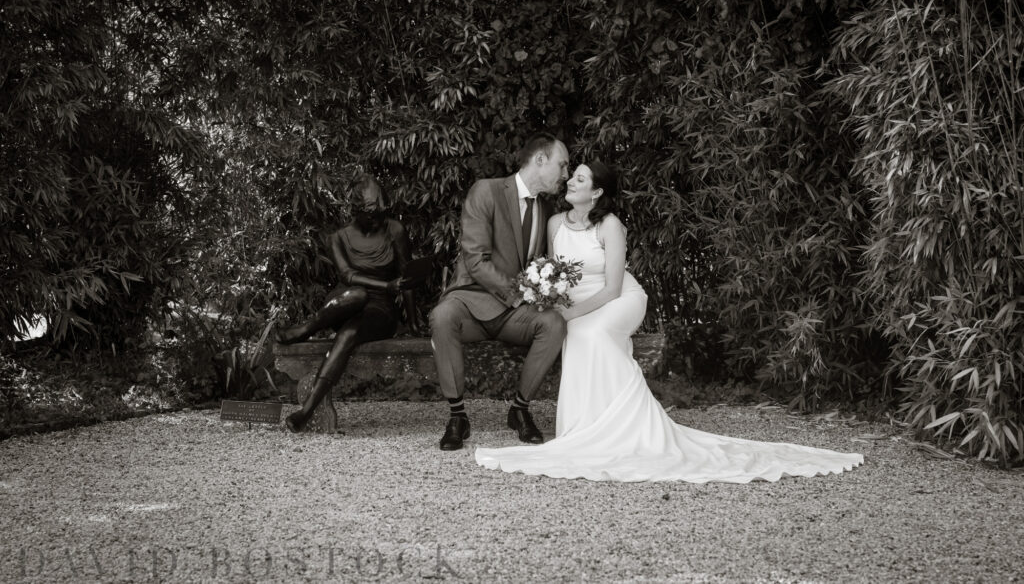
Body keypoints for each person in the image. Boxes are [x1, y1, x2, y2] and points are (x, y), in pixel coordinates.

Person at [475, 161, 864, 482]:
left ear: (595, 192)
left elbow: (611, 288)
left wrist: (569, 312)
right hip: (577, 304)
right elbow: (553, 271)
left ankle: (627, 426)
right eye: (573, 175)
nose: (570, 181)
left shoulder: (609, 224)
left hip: (619, 300)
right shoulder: (555, 223)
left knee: (588, 332)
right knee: (577, 333)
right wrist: (549, 296)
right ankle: (585, 429)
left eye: (579, 178)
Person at [430, 133, 570, 450]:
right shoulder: (486, 191)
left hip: (513, 313)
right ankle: (457, 417)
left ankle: (519, 410)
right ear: (540, 160)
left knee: (554, 324)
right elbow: (476, 260)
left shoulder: (546, 210)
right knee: (442, 316)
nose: (565, 175)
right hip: (471, 301)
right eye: (562, 166)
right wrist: (519, 295)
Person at [278, 174, 423, 433]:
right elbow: (347, 276)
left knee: (348, 334)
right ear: (356, 210)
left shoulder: (395, 230)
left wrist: (411, 321)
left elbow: (407, 279)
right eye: (370, 212)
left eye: (380, 210)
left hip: (380, 312)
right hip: (343, 303)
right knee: (357, 294)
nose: (377, 216)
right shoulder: (339, 238)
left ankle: (306, 410)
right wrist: (387, 284)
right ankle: (311, 326)